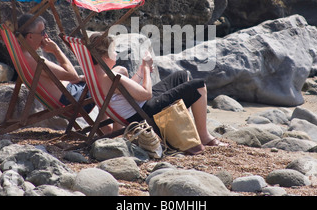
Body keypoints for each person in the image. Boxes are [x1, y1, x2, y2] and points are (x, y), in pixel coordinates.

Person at [89, 32, 228, 154]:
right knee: (199, 86)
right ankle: (203, 136)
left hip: (138, 106)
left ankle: (186, 129)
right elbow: (146, 94)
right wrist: (146, 69)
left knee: (182, 75)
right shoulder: (112, 78)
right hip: (145, 110)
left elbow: (124, 93)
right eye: (114, 51)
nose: (116, 54)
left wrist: (139, 72)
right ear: (105, 55)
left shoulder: (94, 75)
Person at [16, 14, 94, 114]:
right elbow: (73, 76)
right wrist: (56, 50)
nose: (45, 36)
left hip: (71, 95)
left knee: (112, 74)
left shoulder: (21, 54)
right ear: (30, 36)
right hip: (74, 102)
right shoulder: (34, 60)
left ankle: (107, 128)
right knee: (108, 82)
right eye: (42, 32)